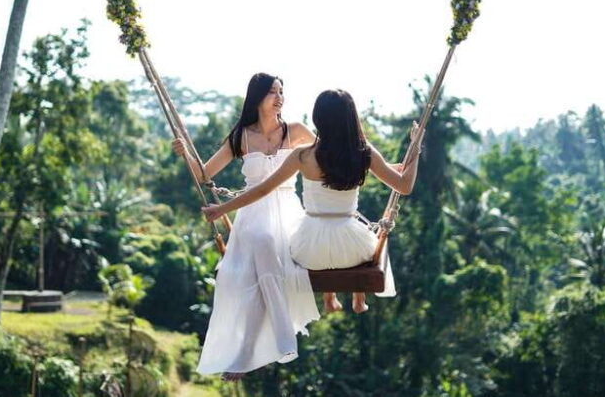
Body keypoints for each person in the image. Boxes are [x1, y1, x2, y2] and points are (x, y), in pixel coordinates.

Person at [203, 89, 422, 314]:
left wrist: (222, 209)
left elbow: (262, 190)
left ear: (318, 119)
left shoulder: (303, 155)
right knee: (372, 242)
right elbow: (404, 186)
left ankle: (336, 297)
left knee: (302, 240)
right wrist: (415, 149)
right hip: (352, 249)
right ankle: (359, 297)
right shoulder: (363, 153)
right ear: (351, 117)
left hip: (309, 251)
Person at [174, 72, 319, 382]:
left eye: (282, 91)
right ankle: (275, 343)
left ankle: (253, 351)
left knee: (265, 248)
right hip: (251, 214)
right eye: (272, 92)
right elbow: (204, 174)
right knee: (259, 248)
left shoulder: (296, 131)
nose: (280, 97)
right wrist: (186, 153)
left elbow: (330, 154)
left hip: (288, 210)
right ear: (258, 97)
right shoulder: (241, 136)